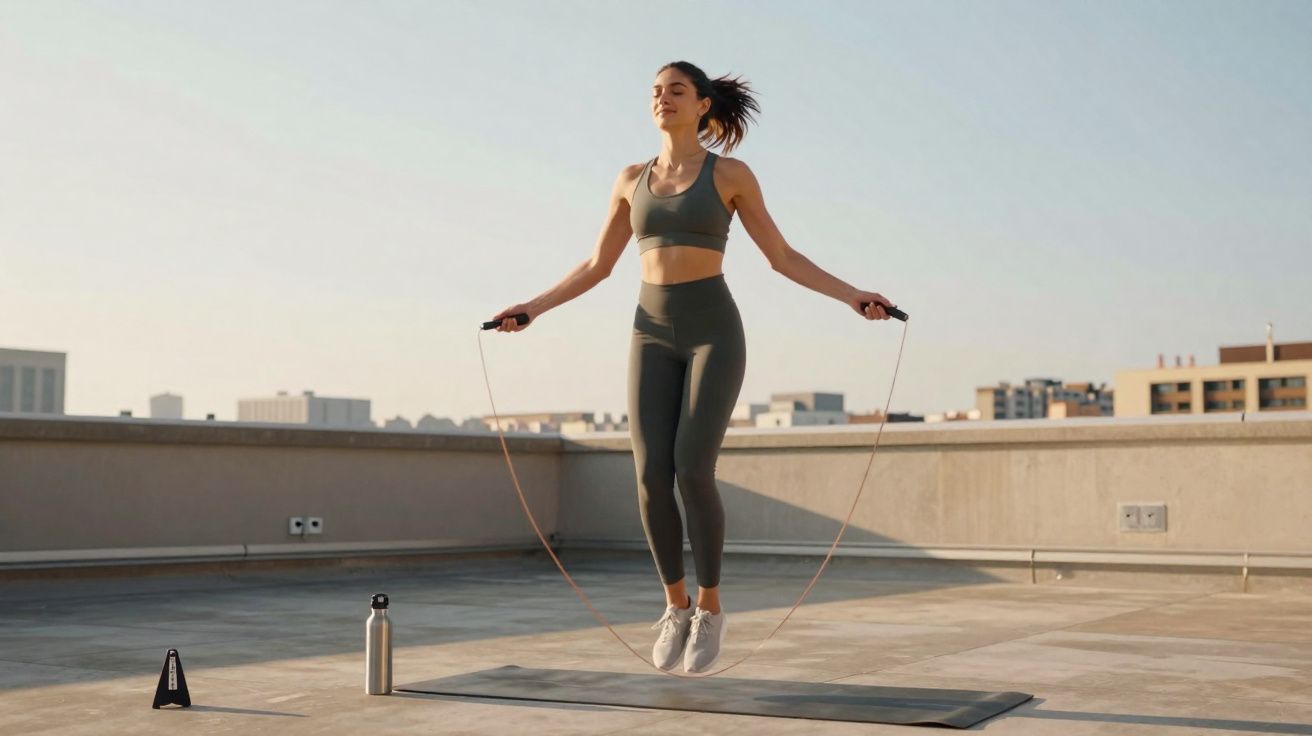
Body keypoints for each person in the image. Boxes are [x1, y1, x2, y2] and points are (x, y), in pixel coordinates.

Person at [489, 61, 896, 674]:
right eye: (655, 92)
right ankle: (675, 607)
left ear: (703, 105)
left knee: (692, 470)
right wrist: (533, 308)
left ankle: (710, 608)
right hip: (648, 331)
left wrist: (852, 295)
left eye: (675, 91)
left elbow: (782, 256)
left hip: (712, 330)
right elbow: (597, 265)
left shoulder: (729, 174)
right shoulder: (630, 180)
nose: (662, 100)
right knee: (651, 475)